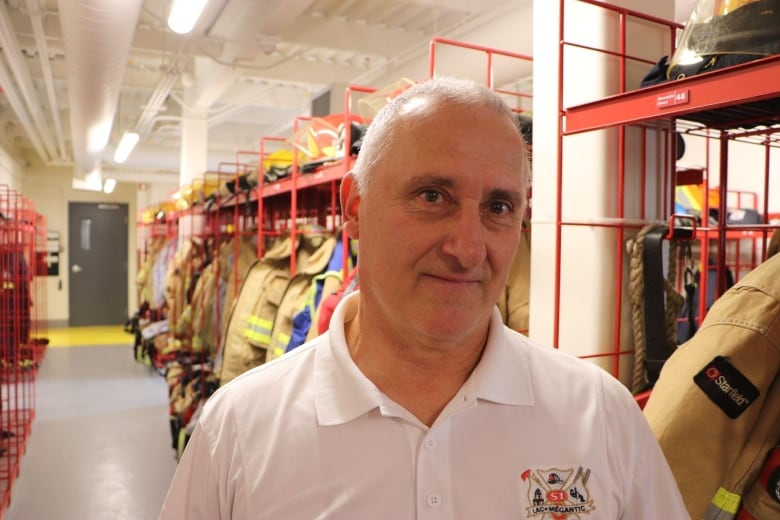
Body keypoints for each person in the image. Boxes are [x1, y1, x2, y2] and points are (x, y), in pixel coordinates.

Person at [159, 77, 689, 519]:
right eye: (432, 196)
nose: (467, 248)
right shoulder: (237, 431)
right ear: (354, 208)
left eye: (499, 207)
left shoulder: (600, 416)